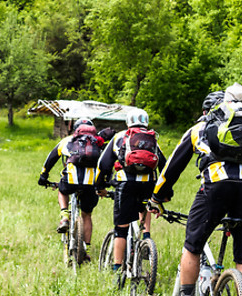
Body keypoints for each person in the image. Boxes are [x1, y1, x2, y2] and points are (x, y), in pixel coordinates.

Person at [148, 84, 242, 296]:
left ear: (206, 111)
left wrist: (157, 198)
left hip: (216, 187)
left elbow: (172, 168)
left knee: (192, 247)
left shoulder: (200, 129)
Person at [95, 108, 167, 274]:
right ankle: (146, 239)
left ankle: (117, 270)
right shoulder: (152, 139)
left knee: (121, 229)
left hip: (125, 184)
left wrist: (100, 186)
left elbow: (104, 164)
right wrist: (164, 193)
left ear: (128, 121)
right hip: (149, 183)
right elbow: (164, 165)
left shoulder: (120, 137)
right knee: (145, 205)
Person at [38, 118, 110, 262]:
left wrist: (43, 176)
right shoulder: (99, 143)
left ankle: (65, 216)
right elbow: (106, 163)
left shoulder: (68, 140)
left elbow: (51, 159)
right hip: (92, 184)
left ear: (75, 130)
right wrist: (104, 183)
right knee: (87, 215)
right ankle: (86, 250)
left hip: (71, 180)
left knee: (62, 191)